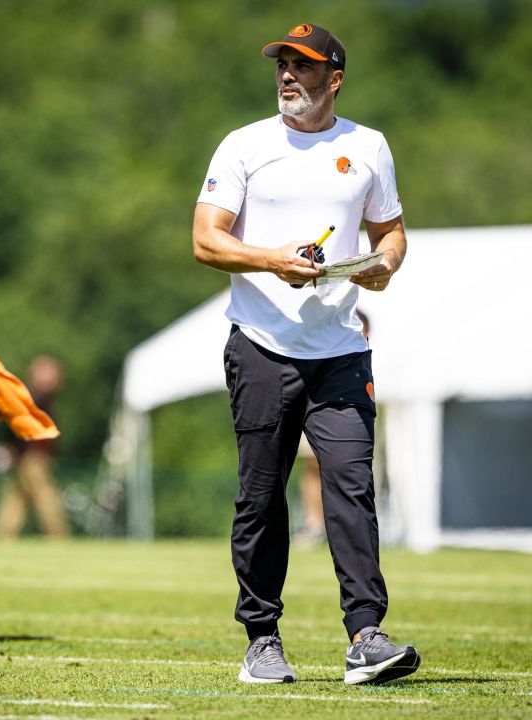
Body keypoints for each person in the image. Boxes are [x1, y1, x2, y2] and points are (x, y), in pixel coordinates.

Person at [192, 23, 420, 685]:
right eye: (283, 63)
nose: (288, 73)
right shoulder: (244, 146)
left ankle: (365, 636)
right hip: (261, 349)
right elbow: (207, 241)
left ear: (335, 78)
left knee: (352, 488)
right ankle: (262, 640)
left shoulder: (369, 146)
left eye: (303, 64)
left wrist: (384, 265)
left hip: (342, 351)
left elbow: (392, 232)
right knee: (260, 500)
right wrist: (273, 261)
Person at [293, 310, 369, 549]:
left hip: (347, 400)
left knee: (349, 470)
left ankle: (346, 531)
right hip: (315, 396)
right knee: (312, 465)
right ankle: (314, 524)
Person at [0, 355, 70, 539]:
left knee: (18, 499)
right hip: (33, 456)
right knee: (46, 497)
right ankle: (58, 535)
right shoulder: (35, 399)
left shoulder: (33, 397)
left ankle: (2, 535)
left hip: (24, 455)